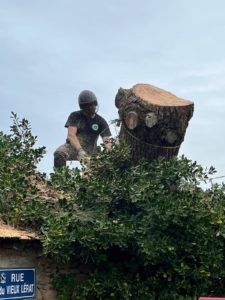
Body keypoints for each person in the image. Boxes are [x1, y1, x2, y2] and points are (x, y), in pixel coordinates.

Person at [54, 90, 112, 168]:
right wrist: (80, 151)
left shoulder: (101, 121)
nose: (90, 107)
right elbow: (71, 135)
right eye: (86, 106)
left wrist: (110, 153)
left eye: (91, 105)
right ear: (82, 107)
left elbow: (106, 140)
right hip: (74, 148)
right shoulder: (75, 116)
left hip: (91, 151)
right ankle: (59, 178)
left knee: (100, 167)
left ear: (95, 104)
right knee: (59, 153)